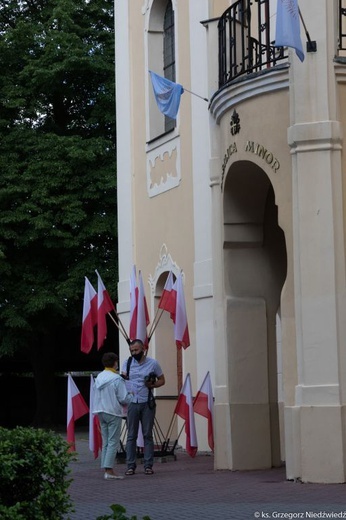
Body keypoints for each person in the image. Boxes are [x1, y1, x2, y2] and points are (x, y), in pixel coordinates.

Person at [121, 339, 165, 475]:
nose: (134, 353)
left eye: (136, 350)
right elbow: (123, 380)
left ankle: (148, 465)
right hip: (132, 402)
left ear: (143, 349)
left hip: (147, 402)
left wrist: (152, 385)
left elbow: (162, 380)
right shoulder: (127, 363)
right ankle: (130, 465)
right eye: (132, 351)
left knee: (147, 434)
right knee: (131, 435)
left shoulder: (153, 363)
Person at [93, 352, 132, 480]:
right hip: (113, 412)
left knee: (105, 441)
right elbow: (123, 398)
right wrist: (131, 394)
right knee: (113, 441)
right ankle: (109, 471)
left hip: (100, 411)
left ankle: (105, 467)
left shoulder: (99, 377)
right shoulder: (117, 379)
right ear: (115, 362)